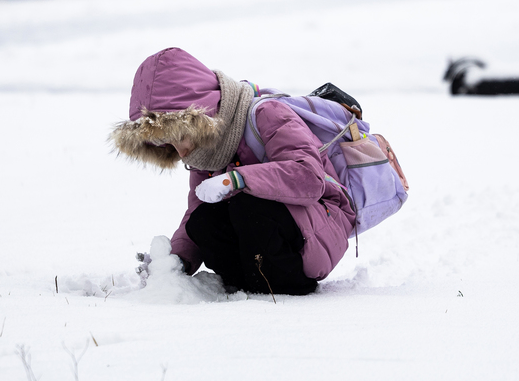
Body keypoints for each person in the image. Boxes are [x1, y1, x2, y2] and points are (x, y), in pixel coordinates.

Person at [111, 47, 355, 296]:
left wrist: (238, 179)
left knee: (248, 207)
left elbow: (309, 178)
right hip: (267, 235)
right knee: (203, 220)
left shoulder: (266, 114)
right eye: (168, 143)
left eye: (180, 136)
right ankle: (246, 287)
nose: (181, 151)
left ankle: (286, 287)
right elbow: (197, 210)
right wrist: (176, 262)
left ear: (200, 115)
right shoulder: (204, 149)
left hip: (322, 219)